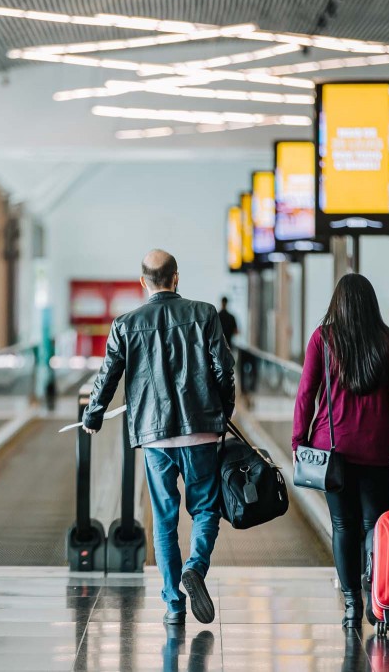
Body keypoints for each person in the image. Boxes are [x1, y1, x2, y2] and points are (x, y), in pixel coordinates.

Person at [83, 250, 235, 627]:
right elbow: (224, 369)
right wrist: (222, 413)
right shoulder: (204, 314)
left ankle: (173, 604)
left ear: (143, 282)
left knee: (164, 521)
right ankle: (195, 567)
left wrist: (93, 416)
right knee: (205, 510)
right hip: (200, 430)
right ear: (176, 278)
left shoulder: (125, 324)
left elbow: (107, 377)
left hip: (155, 438)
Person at [291, 273, 389, 629]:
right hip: (381, 452)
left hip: (333, 452)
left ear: (338, 304)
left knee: (342, 525)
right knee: (375, 526)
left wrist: (298, 441)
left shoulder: (323, 339)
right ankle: (373, 587)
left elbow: (306, 393)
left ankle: (351, 601)